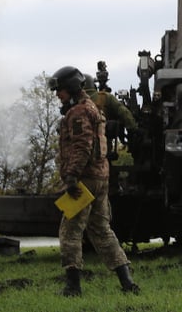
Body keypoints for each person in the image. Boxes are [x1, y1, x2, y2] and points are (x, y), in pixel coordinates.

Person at [49, 65, 139, 296]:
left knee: (69, 232)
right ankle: (127, 282)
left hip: (84, 180)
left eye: (60, 91)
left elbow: (81, 146)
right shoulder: (93, 108)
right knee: (101, 230)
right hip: (100, 178)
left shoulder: (78, 112)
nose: (58, 95)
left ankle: (73, 287)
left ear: (70, 88)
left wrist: (71, 177)